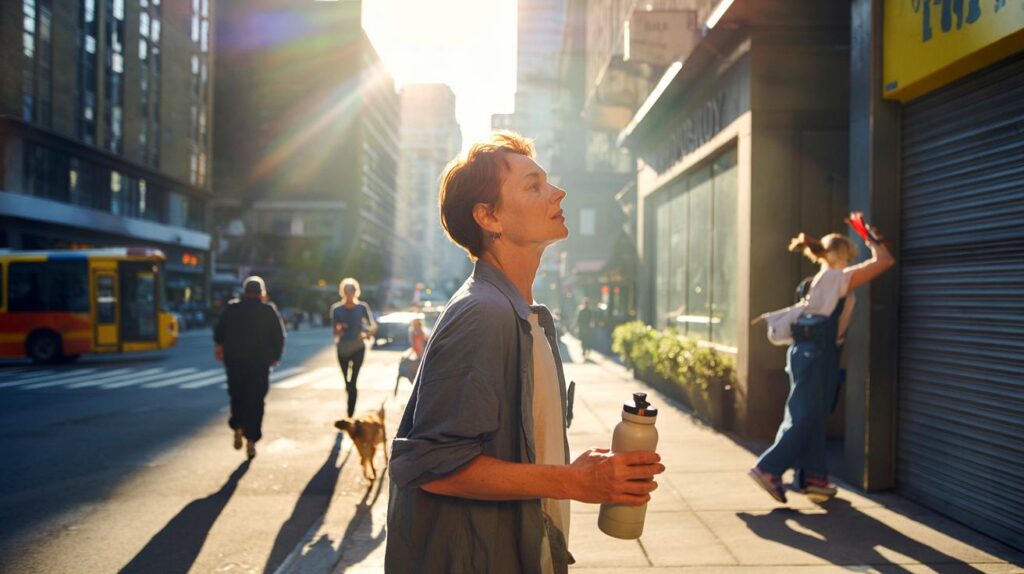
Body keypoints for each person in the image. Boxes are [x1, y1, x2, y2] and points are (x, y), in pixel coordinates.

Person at [386, 131, 666, 574]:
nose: (558, 192)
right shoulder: (482, 314)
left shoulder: (521, 316)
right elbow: (433, 466)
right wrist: (574, 480)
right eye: (533, 186)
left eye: (546, 182)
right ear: (488, 217)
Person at [749, 222, 894, 503]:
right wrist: (867, 233)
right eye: (852, 256)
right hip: (818, 355)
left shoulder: (818, 281)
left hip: (807, 353)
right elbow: (884, 261)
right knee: (804, 416)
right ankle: (767, 469)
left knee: (811, 415)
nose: (854, 262)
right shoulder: (837, 278)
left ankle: (813, 476)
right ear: (845, 254)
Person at [213, 276, 286, 460]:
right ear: (262, 293)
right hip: (259, 363)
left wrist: (220, 347)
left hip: (235, 361)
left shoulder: (232, 308)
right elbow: (279, 336)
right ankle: (251, 440)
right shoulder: (268, 310)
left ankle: (237, 425)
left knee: (237, 396)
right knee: (256, 401)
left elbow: (219, 331)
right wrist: (275, 357)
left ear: (244, 292)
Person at [329, 278, 378, 418]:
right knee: (347, 381)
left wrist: (365, 334)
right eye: (346, 290)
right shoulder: (336, 309)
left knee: (354, 381)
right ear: (342, 292)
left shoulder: (362, 307)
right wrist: (339, 330)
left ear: (356, 291)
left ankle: (350, 413)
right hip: (343, 348)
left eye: (352, 290)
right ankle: (350, 401)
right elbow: (335, 331)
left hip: (358, 348)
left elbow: (373, 326)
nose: (349, 293)